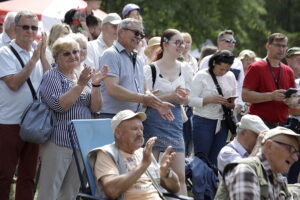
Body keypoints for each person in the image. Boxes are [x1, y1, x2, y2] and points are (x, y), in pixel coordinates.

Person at [37, 36, 108, 200]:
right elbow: (60, 105)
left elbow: (96, 108)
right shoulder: (52, 76)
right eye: (66, 53)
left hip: (80, 143)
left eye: (75, 52)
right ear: (57, 57)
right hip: (58, 141)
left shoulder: (81, 75)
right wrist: (81, 85)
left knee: (71, 192)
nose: (73, 56)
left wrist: (95, 84)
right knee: (50, 192)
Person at [0, 10, 50, 200]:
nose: (30, 31)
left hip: (34, 122)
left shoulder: (37, 50)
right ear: (15, 28)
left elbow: (48, 78)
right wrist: (33, 60)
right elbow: (13, 83)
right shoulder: (4, 52)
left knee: (28, 176)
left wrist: (43, 56)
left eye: (34, 28)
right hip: (9, 122)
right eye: (26, 27)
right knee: (4, 175)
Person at [143, 29, 193, 195]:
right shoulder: (150, 69)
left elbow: (189, 98)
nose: (182, 46)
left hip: (175, 121)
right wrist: (171, 96)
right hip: (154, 121)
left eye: (183, 42)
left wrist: (183, 97)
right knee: (151, 174)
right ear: (165, 44)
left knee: (179, 175)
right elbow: (146, 97)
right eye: (177, 42)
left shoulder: (185, 68)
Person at [91, 110, 180, 200]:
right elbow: (111, 191)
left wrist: (166, 172)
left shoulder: (143, 153)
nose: (140, 133)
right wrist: (143, 165)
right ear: (118, 133)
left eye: (141, 129)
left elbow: (175, 189)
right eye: (134, 129)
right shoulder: (107, 154)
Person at [98, 18, 174, 121]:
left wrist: (157, 103)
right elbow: (112, 89)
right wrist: (143, 98)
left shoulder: (138, 59)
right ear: (121, 32)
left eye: (142, 35)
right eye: (136, 33)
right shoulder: (111, 54)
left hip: (132, 117)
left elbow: (144, 89)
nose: (139, 38)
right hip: (112, 117)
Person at [215, 126, 300, 199]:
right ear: (269, 146)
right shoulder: (245, 171)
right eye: (291, 149)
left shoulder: (278, 179)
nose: (295, 158)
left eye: (296, 152)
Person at [189, 50, 237, 166]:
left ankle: (213, 182)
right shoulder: (201, 75)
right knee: (202, 157)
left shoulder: (230, 76)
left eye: (227, 69)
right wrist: (209, 100)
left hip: (223, 121)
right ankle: (199, 183)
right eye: (221, 69)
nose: (224, 72)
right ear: (214, 62)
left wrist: (230, 104)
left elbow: (234, 99)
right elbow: (190, 100)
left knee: (217, 158)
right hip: (203, 120)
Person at [242, 33, 297, 128]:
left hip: (282, 125)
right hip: (258, 124)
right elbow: (245, 96)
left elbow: (294, 99)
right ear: (267, 46)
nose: (281, 49)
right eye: (277, 45)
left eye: (284, 46)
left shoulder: (288, 71)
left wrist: (291, 101)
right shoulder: (256, 67)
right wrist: (271, 96)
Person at [199, 30, 245, 116]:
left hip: (229, 110)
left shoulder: (238, 63)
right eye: (228, 41)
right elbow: (200, 83)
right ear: (218, 42)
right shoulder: (208, 60)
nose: (231, 43)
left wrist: (240, 104)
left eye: (233, 41)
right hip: (208, 109)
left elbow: (240, 85)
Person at [285, 47, 300, 184]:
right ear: (288, 59)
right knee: (288, 165)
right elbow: (288, 109)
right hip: (291, 126)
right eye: (297, 57)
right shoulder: (284, 78)